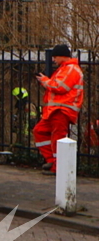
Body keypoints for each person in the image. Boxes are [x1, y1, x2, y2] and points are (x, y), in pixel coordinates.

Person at [33, 43, 84, 174]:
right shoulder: (65, 69)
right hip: (56, 110)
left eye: (55, 57)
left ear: (62, 56)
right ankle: (52, 160)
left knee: (58, 138)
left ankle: (57, 167)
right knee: (39, 131)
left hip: (62, 110)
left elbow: (59, 87)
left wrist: (45, 80)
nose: (53, 59)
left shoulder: (71, 69)